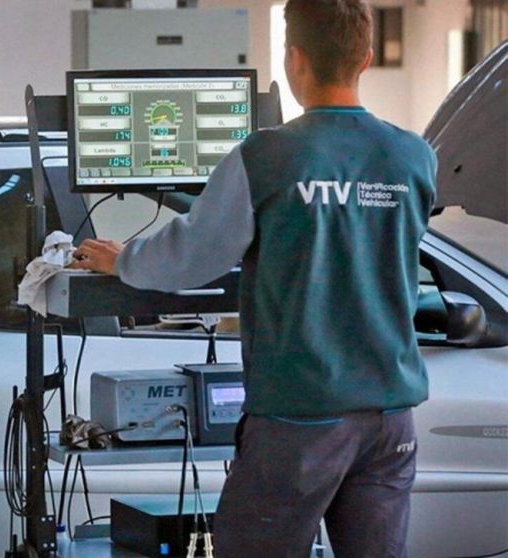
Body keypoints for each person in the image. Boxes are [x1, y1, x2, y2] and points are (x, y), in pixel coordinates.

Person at [72, 0, 436, 556]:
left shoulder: (268, 155)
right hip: (390, 418)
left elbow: (193, 255)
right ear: (365, 58)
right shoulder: (413, 156)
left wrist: (121, 259)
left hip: (301, 414)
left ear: (293, 60)